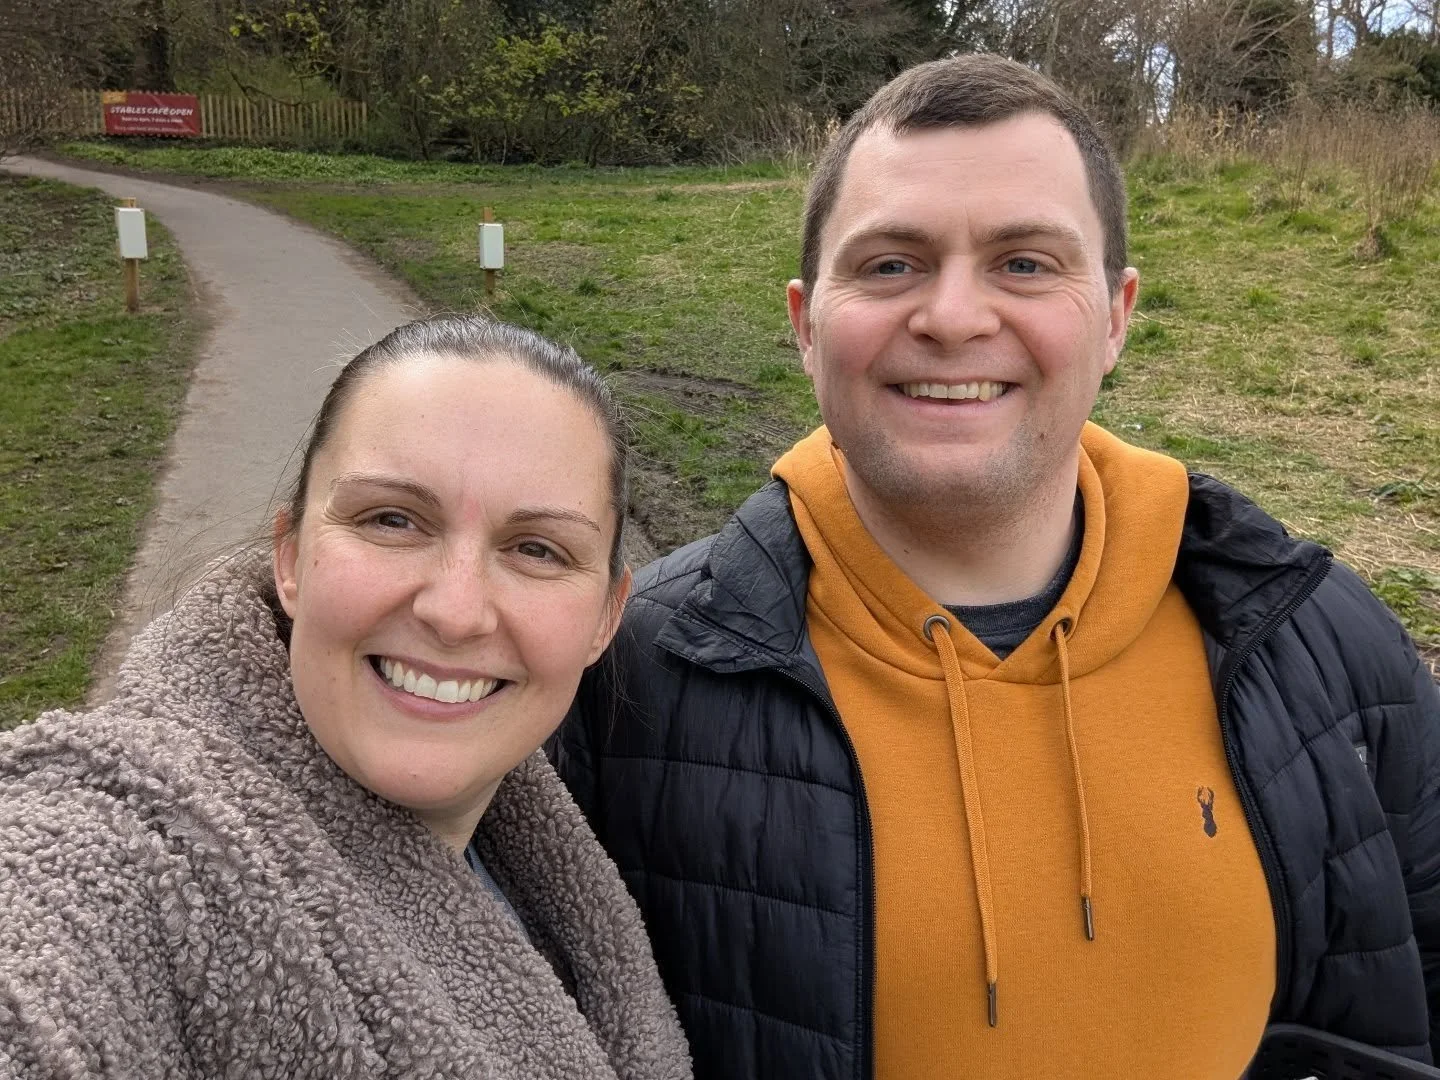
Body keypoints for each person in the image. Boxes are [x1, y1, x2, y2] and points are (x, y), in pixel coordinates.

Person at [553, 54, 1440, 1080]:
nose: (954, 318)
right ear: (805, 323)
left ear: (1116, 315)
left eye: (1024, 263)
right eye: (891, 264)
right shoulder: (631, 680)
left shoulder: (1322, 646)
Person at [0, 316, 691, 1080]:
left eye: (537, 549)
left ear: (605, 617)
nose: (455, 611)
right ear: (291, 559)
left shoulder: (538, 872)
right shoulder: (110, 852)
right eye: (392, 519)